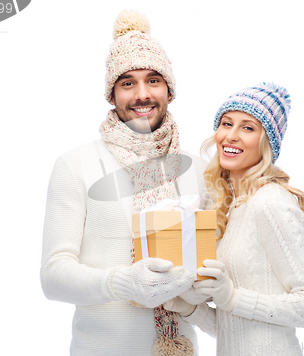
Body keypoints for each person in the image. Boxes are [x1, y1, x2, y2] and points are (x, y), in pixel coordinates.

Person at [41, 9, 211, 356]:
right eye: (127, 83)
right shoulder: (76, 165)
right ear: (112, 94)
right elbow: (53, 276)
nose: (141, 95)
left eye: (153, 80)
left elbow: (214, 269)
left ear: (169, 89)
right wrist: (122, 283)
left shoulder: (198, 169)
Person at [164, 83, 304, 355]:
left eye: (248, 127)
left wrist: (231, 296)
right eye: (226, 124)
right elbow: (236, 327)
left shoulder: (271, 202)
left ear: (266, 143)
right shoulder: (230, 207)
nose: (231, 136)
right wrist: (190, 308)